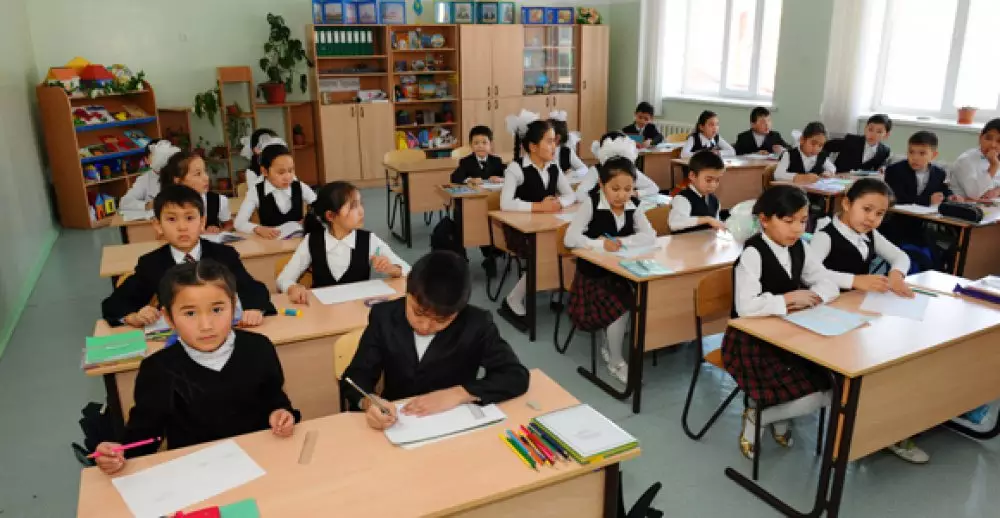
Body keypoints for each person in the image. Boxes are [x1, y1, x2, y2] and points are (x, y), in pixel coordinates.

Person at [93, 260, 299, 474]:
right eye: (190, 313)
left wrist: (281, 413)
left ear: (234, 306)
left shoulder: (259, 348)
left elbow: (275, 399)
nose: (206, 325)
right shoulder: (158, 370)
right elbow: (143, 437)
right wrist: (117, 453)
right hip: (196, 473)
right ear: (168, 318)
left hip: (260, 461)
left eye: (217, 310)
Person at [809, 178, 929, 464]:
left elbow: (900, 256)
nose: (872, 218)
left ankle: (884, 429)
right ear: (846, 203)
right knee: (865, 369)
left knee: (889, 358)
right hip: (826, 314)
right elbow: (810, 272)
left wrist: (897, 275)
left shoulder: (870, 234)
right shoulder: (825, 235)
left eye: (879, 214)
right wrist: (854, 280)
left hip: (858, 311)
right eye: (866, 209)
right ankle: (871, 432)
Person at [343, 251, 530, 430]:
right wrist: (370, 402)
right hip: (397, 422)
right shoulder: (384, 316)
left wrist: (460, 393)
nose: (425, 326)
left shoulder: (476, 324)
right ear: (408, 292)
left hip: (453, 425)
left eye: (440, 321)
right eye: (418, 313)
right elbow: (355, 377)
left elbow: (515, 375)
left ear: (458, 312)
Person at [722, 185, 839, 460]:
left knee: (831, 384)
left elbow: (827, 282)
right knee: (814, 393)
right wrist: (787, 299)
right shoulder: (753, 253)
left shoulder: (800, 247)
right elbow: (746, 306)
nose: (797, 229)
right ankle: (760, 417)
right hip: (750, 341)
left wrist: (814, 296)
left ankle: (778, 414)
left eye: (803, 221)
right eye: (788, 221)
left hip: (788, 333)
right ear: (764, 220)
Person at [102, 185, 275, 327]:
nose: (182, 227)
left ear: (202, 222)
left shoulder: (223, 255)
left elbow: (253, 288)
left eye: (190, 218)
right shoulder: (151, 263)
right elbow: (114, 303)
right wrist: (133, 317)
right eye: (172, 219)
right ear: (158, 225)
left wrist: (254, 309)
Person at [564, 141, 655, 383]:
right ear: (602, 185)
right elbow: (570, 238)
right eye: (615, 189)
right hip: (593, 279)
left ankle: (610, 345)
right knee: (623, 305)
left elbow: (650, 235)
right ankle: (616, 361)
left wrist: (622, 242)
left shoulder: (633, 205)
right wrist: (598, 244)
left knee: (644, 299)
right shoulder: (591, 204)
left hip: (623, 272)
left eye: (628, 189)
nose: (622, 195)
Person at [497, 110, 575, 331]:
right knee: (544, 253)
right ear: (532, 146)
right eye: (549, 141)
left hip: (548, 227)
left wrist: (559, 203)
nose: (554, 146)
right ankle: (513, 298)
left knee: (568, 244)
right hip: (519, 231)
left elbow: (571, 194)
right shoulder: (516, 168)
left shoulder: (553, 167)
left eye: (555, 141)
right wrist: (539, 206)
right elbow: (505, 203)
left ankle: (557, 289)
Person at [278, 181, 409, 304]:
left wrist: (392, 269)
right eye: (353, 207)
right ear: (330, 216)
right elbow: (283, 279)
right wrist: (293, 288)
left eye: (361, 204)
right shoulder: (311, 241)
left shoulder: (369, 239)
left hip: (358, 311)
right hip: (322, 313)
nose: (361, 211)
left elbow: (408, 271)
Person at [882, 131, 957, 259]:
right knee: (919, 248)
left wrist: (950, 196)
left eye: (922, 153)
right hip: (896, 223)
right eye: (911, 152)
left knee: (941, 248)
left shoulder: (939, 173)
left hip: (922, 224)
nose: (915, 157)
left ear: (933, 155)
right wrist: (928, 200)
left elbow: (942, 190)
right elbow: (897, 198)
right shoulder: (895, 170)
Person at [450, 125, 505, 277]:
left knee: (494, 227)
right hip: (471, 205)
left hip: (491, 205)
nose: (480, 146)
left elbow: (508, 174)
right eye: (476, 143)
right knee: (464, 224)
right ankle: (462, 258)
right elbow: (454, 178)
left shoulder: (496, 161)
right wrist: (469, 180)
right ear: (471, 145)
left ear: (490, 144)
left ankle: (491, 256)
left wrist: (500, 178)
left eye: (484, 142)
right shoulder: (466, 161)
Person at [233, 143, 317, 239]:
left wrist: (309, 220)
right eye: (281, 172)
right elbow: (239, 223)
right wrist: (258, 229)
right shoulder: (256, 191)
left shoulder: (299, 186)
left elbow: (321, 206)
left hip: (299, 241)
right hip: (271, 242)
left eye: (290, 170)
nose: (287, 177)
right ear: (264, 171)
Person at [575, 132, 659, 202]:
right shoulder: (596, 171)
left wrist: (635, 193)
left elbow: (654, 188)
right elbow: (580, 194)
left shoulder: (629, 169)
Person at [159, 150, 231, 232]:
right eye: (198, 174)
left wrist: (219, 231)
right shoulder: (166, 204)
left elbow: (229, 225)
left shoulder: (217, 200)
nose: (206, 178)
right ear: (178, 180)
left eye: (205, 171)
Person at [669, 150, 725, 234]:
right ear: (692, 176)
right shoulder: (683, 198)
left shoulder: (714, 200)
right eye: (708, 180)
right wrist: (707, 219)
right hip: (683, 241)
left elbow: (716, 223)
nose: (713, 185)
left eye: (717, 180)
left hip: (706, 241)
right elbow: (674, 224)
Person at [949, 118, 1000, 201]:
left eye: (999, 141)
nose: (993, 145)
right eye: (988, 138)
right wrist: (993, 166)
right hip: (963, 205)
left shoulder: (997, 158)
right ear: (980, 138)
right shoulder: (965, 160)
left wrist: (997, 191)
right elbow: (974, 194)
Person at [119, 139, 176, 212]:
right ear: (146, 160)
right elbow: (125, 202)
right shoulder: (144, 179)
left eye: (165, 155)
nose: (162, 159)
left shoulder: (179, 174)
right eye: (156, 155)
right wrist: (148, 205)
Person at [824, 114, 892, 172]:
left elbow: (882, 166)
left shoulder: (884, 150)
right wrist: (827, 165)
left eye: (879, 132)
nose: (873, 134)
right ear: (865, 128)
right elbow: (825, 146)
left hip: (862, 182)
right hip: (839, 178)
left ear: (886, 135)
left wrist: (883, 168)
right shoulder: (851, 140)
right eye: (870, 129)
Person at [549, 111, 588, 177]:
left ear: (557, 138)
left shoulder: (566, 151)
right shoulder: (540, 150)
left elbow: (585, 169)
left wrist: (572, 174)